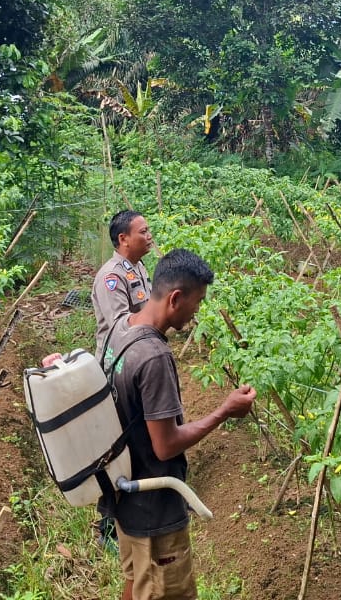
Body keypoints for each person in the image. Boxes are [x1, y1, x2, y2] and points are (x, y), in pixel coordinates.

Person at [98, 248, 256, 600]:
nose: (197, 311)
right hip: (152, 506)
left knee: (135, 581)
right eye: (197, 302)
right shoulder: (154, 357)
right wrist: (224, 411)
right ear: (175, 298)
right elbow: (165, 445)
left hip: (124, 495)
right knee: (164, 590)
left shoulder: (120, 329)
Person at [93, 210, 156, 356]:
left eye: (148, 230)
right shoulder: (112, 276)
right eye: (143, 232)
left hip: (139, 350)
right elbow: (120, 327)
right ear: (123, 239)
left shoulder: (138, 266)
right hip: (118, 358)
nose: (149, 236)